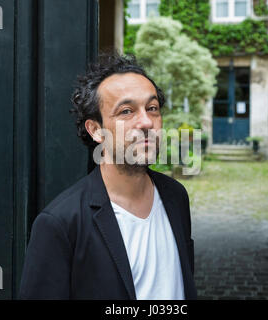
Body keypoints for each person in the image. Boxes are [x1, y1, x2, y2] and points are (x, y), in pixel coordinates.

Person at [19, 53, 197, 300]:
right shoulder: (61, 224)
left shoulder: (176, 196)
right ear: (95, 130)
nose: (146, 122)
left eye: (152, 108)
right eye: (126, 111)